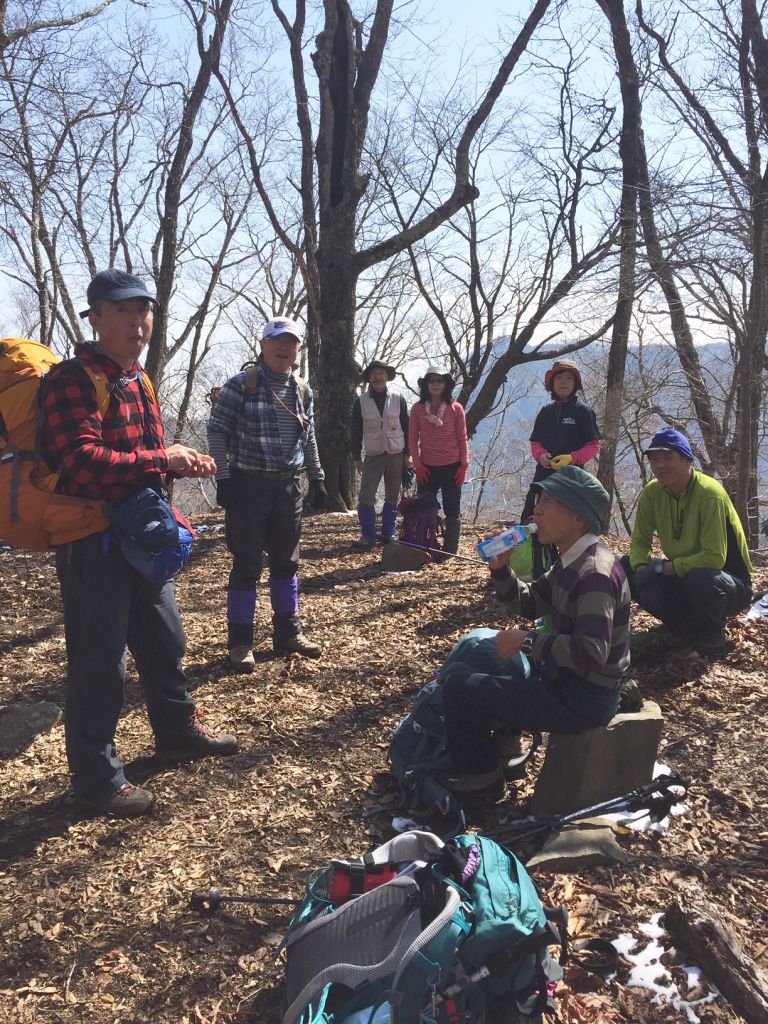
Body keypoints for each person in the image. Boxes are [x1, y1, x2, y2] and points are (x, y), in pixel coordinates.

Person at [40, 268, 238, 818]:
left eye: (144, 310)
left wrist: (178, 462)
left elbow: (146, 467)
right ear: (96, 317)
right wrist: (160, 459)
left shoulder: (139, 380)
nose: (137, 321)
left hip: (140, 538)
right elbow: (79, 461)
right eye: (123, 310)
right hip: (91, 540)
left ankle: (176, 730)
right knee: (99, 662)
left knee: (164, 641)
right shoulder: (70, 380)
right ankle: (96, 780)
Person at [440, 466, 630, 800]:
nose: (536, 510)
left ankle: (480, 778)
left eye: (548, 501)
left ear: (578, 518)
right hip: (564, 680)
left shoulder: (594, 572)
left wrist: (526, 642)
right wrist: (501, 569)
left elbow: (591, 652)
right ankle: (506, 751)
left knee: (458, 684)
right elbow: (531, 604)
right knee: (480, 661)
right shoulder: (570, 560)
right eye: (539, 499)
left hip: (584, 698)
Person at [207, 317, 328, 672]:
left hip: (288, 486)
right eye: (277, 341)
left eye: (290, 342)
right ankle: (240, 642)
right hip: (248, 484)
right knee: (246, 564)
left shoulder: (304, 391)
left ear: (298, 350)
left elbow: (310, 438)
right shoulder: (240, 386)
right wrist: (224, 479)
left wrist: (317, 478)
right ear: (262, 346)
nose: (283, 348)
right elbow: (217, 432)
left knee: (286, 561)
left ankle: (288, 632)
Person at [620, 428, 752, 658]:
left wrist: (664, 568)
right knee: (621, 567)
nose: (661, 465)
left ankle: (712, 637)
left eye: (669, 457)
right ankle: (680, 624)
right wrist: (641, 567)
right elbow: (640, 540)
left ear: (687, 459)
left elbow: (714, 558)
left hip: (728, 581)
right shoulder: (653, 493)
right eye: (655, 459)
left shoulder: (709, 493)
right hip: (683, 574)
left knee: (701, 577)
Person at [523, 359, 601, 577]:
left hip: (572, 481)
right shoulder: (546, 412)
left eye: (569, 378)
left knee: (570, 527)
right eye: (559, 377)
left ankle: (573, 573)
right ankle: (538, 573)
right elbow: (535, 442)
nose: (564, 382)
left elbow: (594, 445)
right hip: (543, 478)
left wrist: (572, 458)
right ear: (551, 383)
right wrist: (541, 457)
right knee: (532, 522)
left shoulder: (584, 412)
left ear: (576, 383)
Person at [350, 359, 410, 550]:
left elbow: (407, 426)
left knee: (393, 495)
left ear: (387, 377)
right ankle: (367, 536)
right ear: (369, 378)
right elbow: (355, 430)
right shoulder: (360, 402)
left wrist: (408, 454)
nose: (377, 377)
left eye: (381, 373)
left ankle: (388, 533)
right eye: (374, 374)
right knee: (366, 496)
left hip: (396, 452)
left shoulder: (398, 398)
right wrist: (356, 457)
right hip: (373, 454)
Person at [409, 366, 469, 556]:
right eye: (431, 381)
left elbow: (462, 437)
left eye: (439, 380)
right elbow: (412, 439)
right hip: (427, 467)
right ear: (426, 384)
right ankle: (426, 545)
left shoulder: (456, 408)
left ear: (446, 384)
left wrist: (464, 464)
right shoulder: (418, 409)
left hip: (452, 465)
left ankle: (450, 550)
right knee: (425, 507)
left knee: (452, 508)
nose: (436, 384)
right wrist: (417, 464)